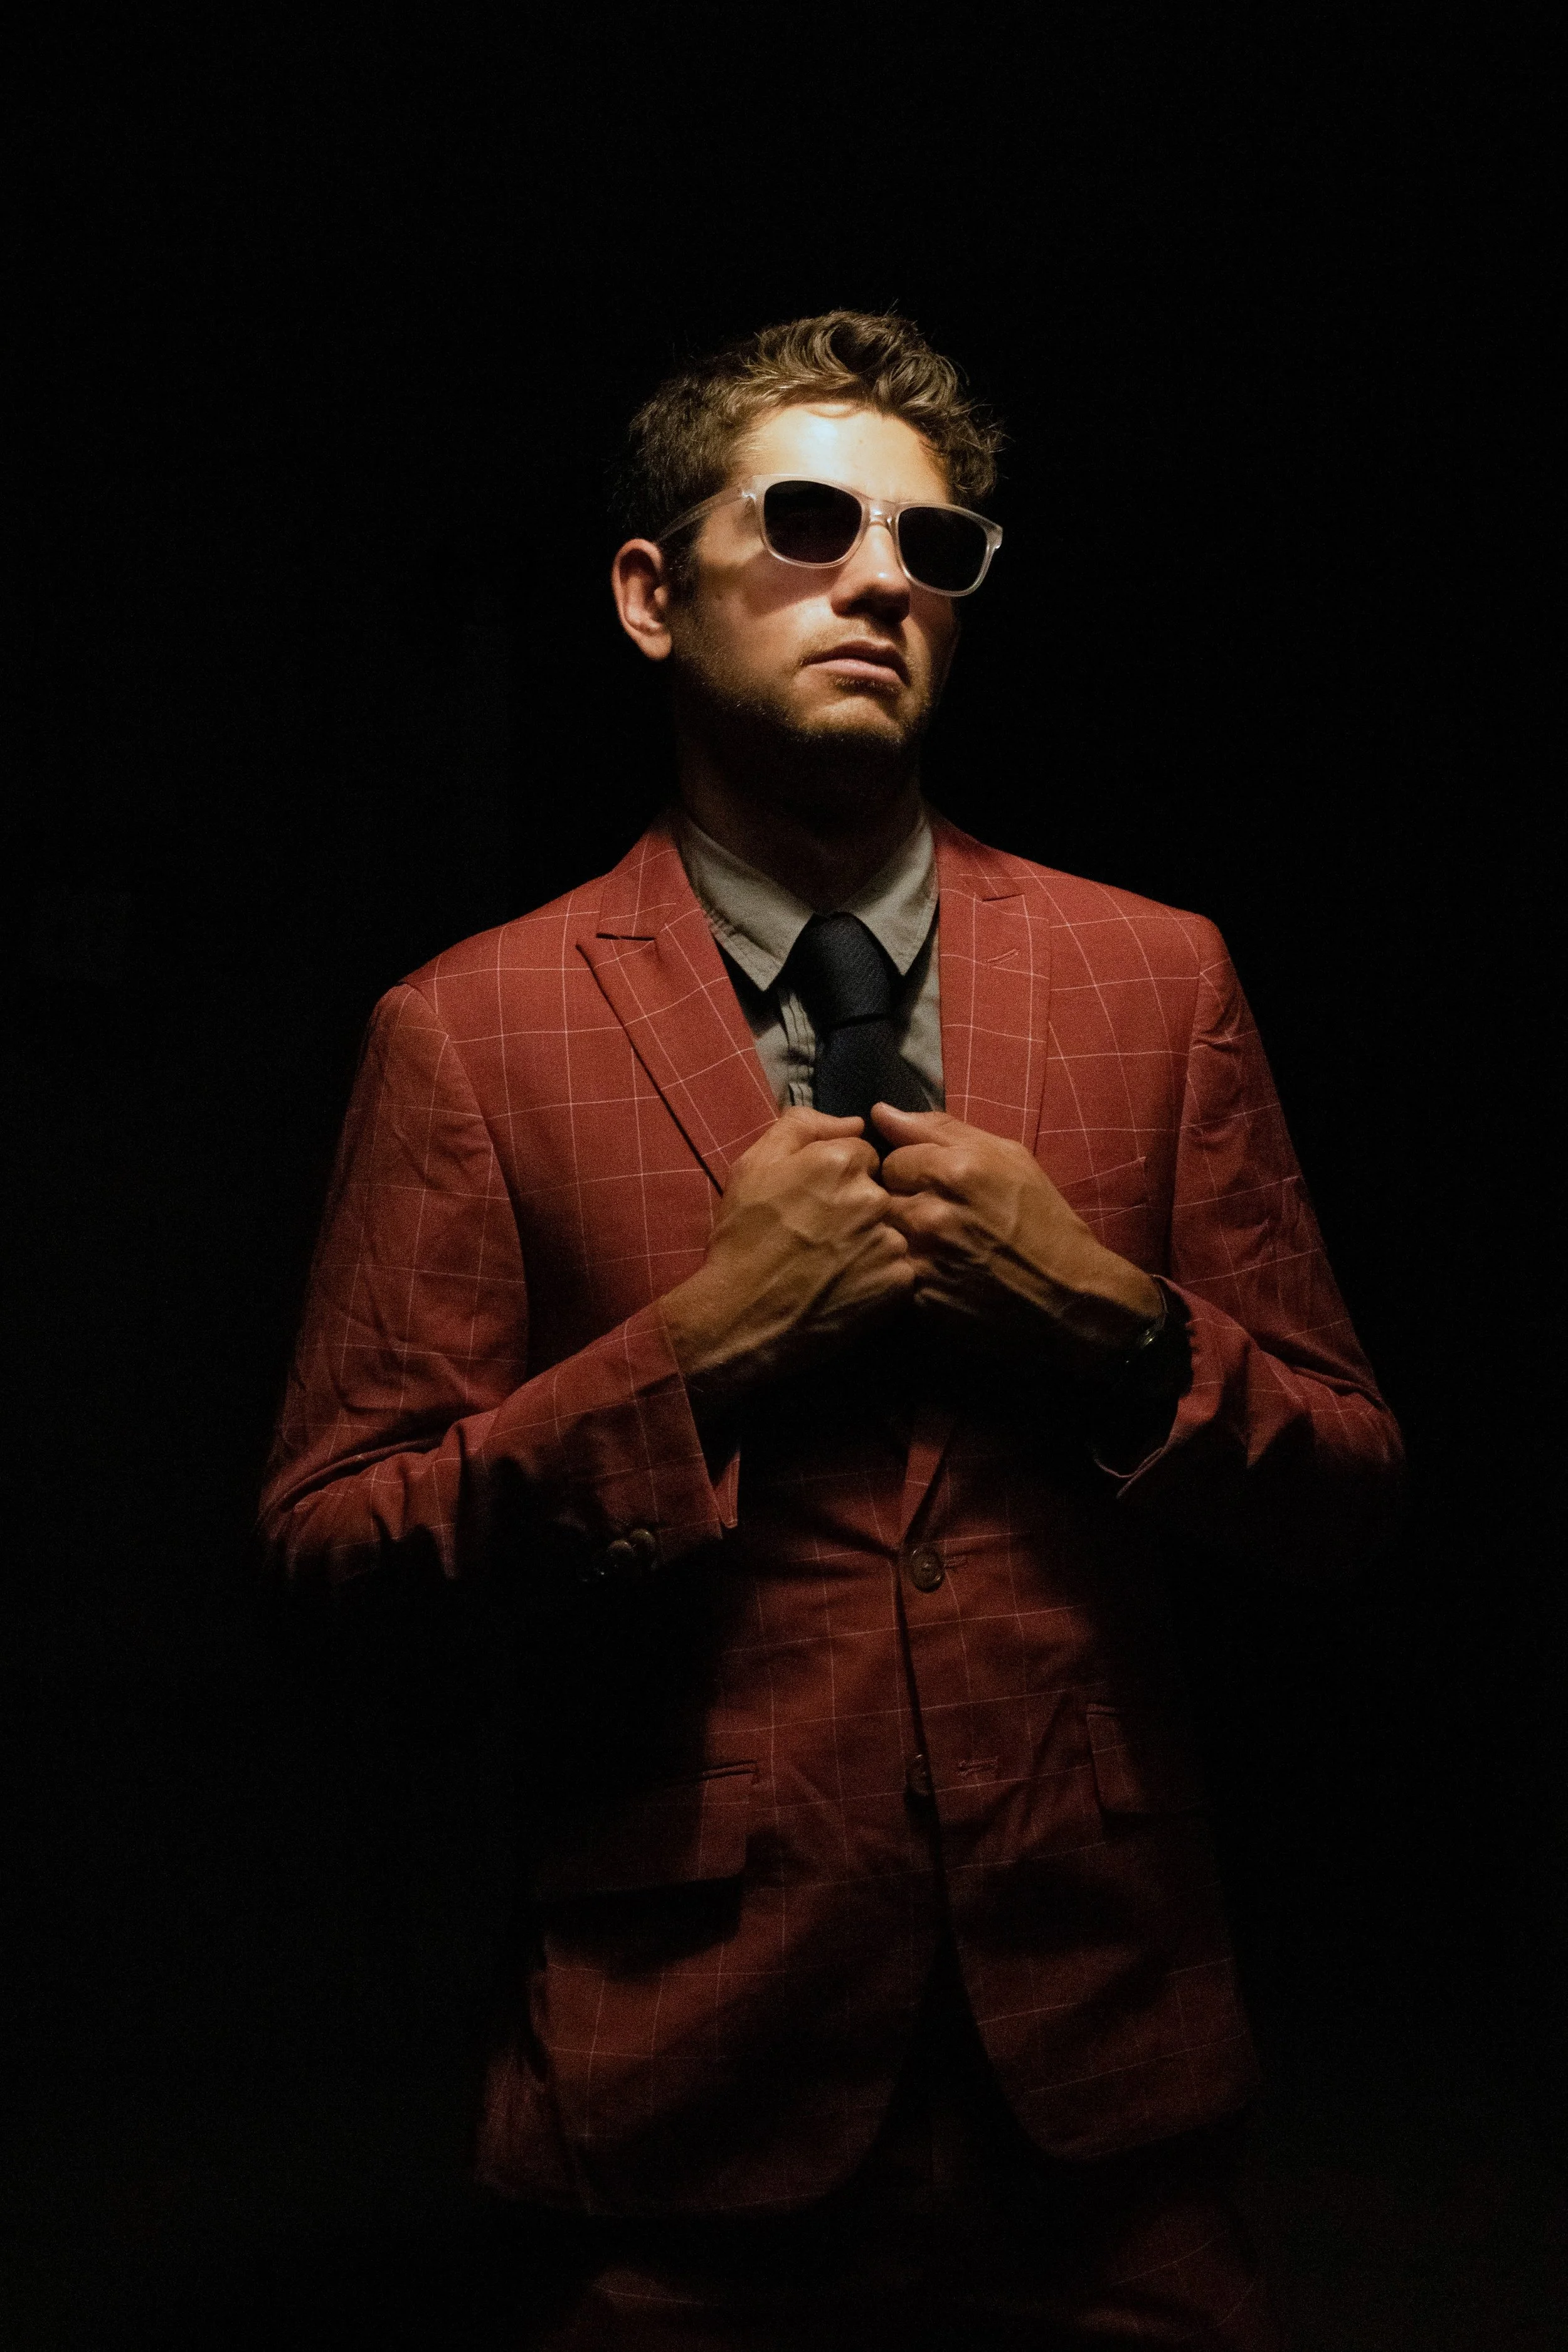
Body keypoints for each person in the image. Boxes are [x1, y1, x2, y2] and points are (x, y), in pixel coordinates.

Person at [260, 311, 1402, 2348]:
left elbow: (1345, 1494)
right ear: (645, 593)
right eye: (804, 522)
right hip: (684, 2104)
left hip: (1110, 2100)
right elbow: (338, 1561)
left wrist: (1115, 1323)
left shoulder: (1158, 979)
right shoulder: (471, 1029)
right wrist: (695, 1354)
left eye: (932, 546)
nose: (881, 574)